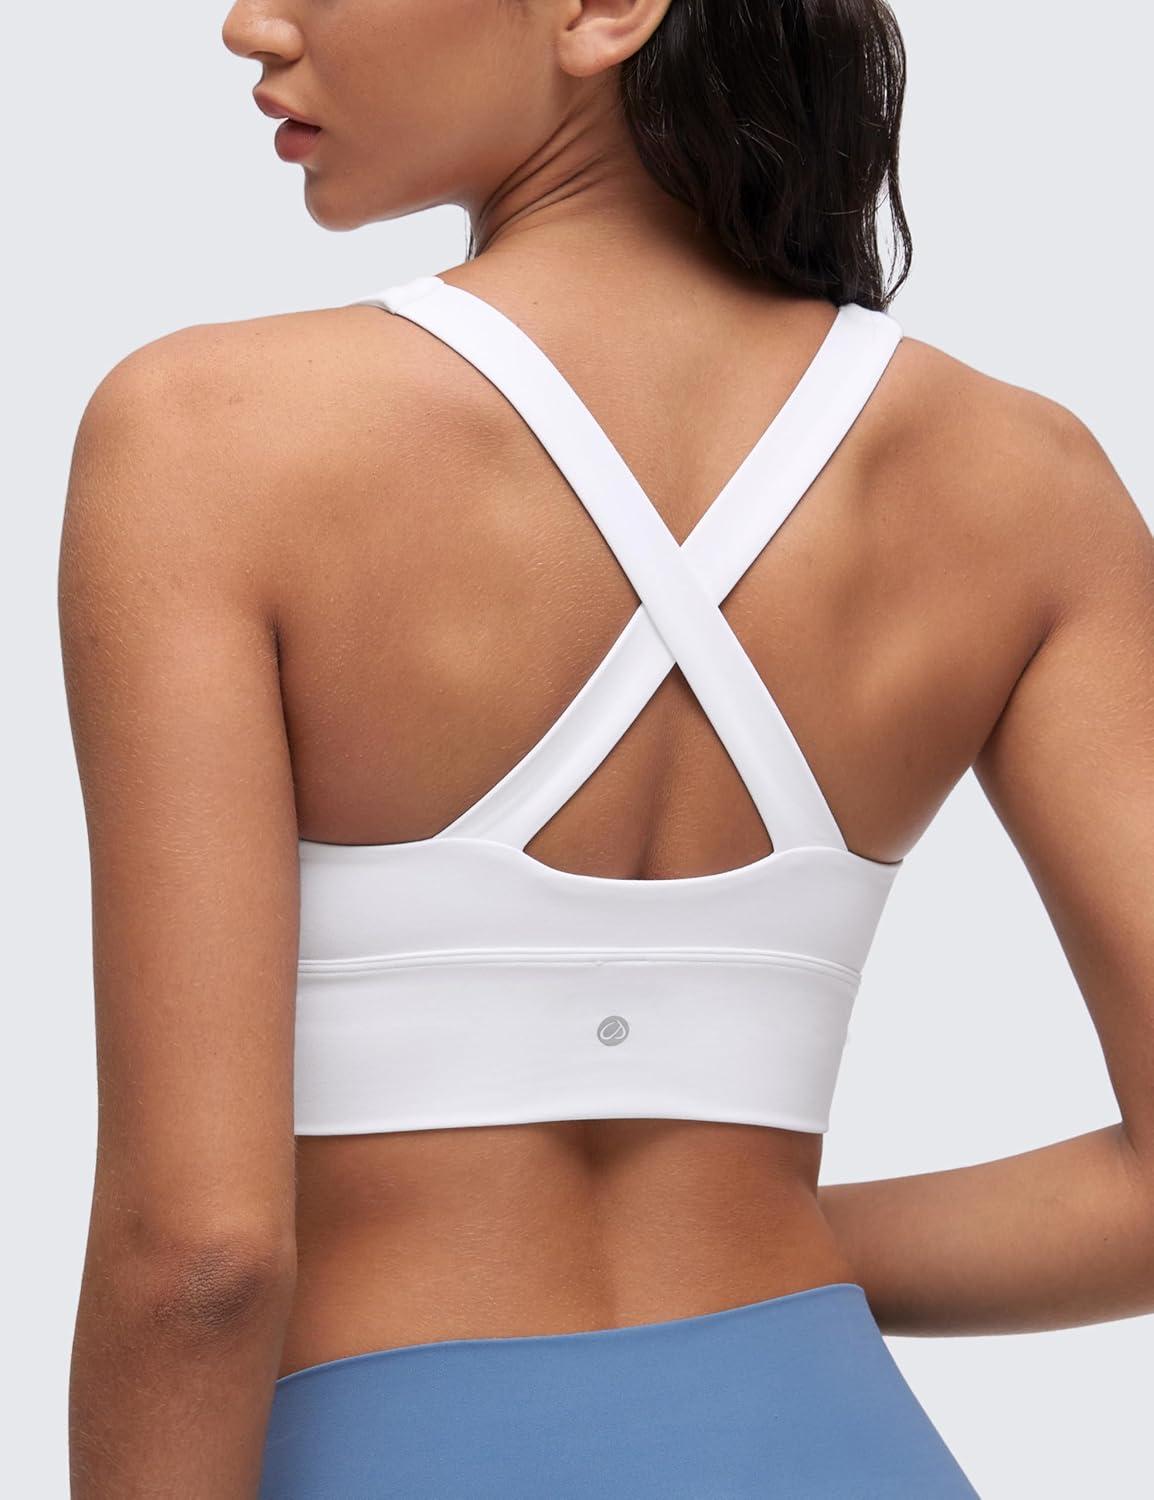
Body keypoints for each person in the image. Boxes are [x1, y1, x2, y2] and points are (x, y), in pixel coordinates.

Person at [60, 1, 1154, 1496]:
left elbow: (200, 1256)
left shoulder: (210, 434)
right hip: (834, 1439)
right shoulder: (1028, 478)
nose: (251, 22)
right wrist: (762, 1258)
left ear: (602, 10)